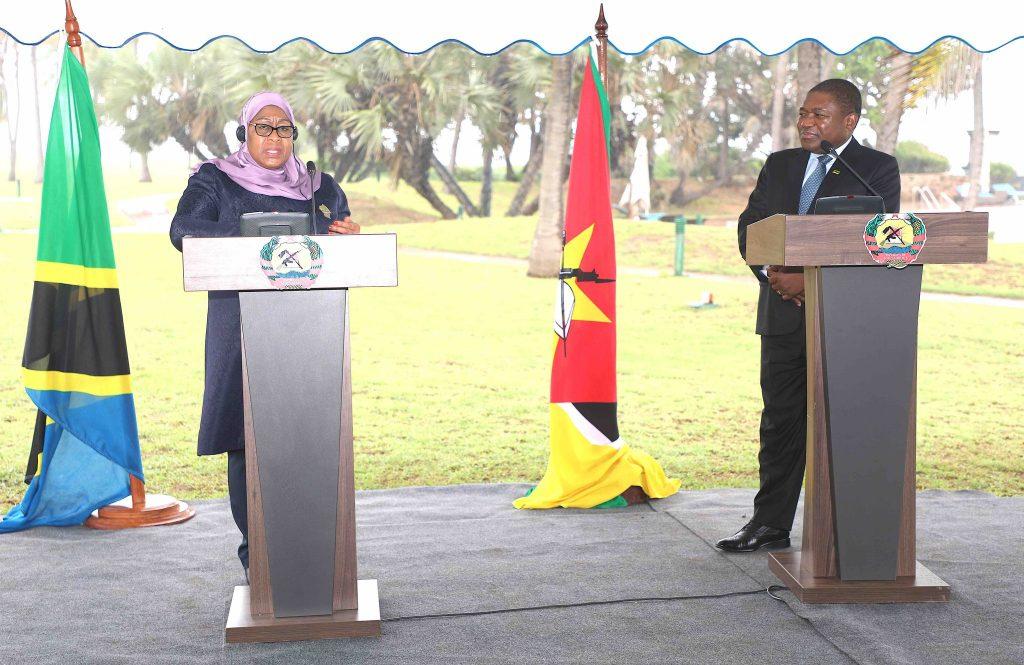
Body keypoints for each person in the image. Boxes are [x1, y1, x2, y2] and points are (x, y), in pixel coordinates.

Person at [169, 92, 360, 577]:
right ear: (243, 133)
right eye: (262, 127)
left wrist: (347, 239)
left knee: (314, 437)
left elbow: (339, 238)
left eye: (284, 129)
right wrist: (253, 245)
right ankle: (260, 558)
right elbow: (183, 230)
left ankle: (320, 556)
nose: (274, 137)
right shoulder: (215, 180)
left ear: (294, 135)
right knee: (246, 438)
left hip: (313, 329)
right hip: (240, 327)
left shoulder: (320, 187)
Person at [720, 79, 901, 552]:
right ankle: (770, 524)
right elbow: (750, 228)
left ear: (849, 120)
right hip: (781, 314)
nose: (806, 122)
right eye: (804, 113)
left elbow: (876, 241)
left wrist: (812, 281)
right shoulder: (781, 165)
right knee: (780, 422)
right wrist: (774, 274)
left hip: (846, 321)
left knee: (844, 425)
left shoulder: (876, 171)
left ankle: (849, 532)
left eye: (819, 115)